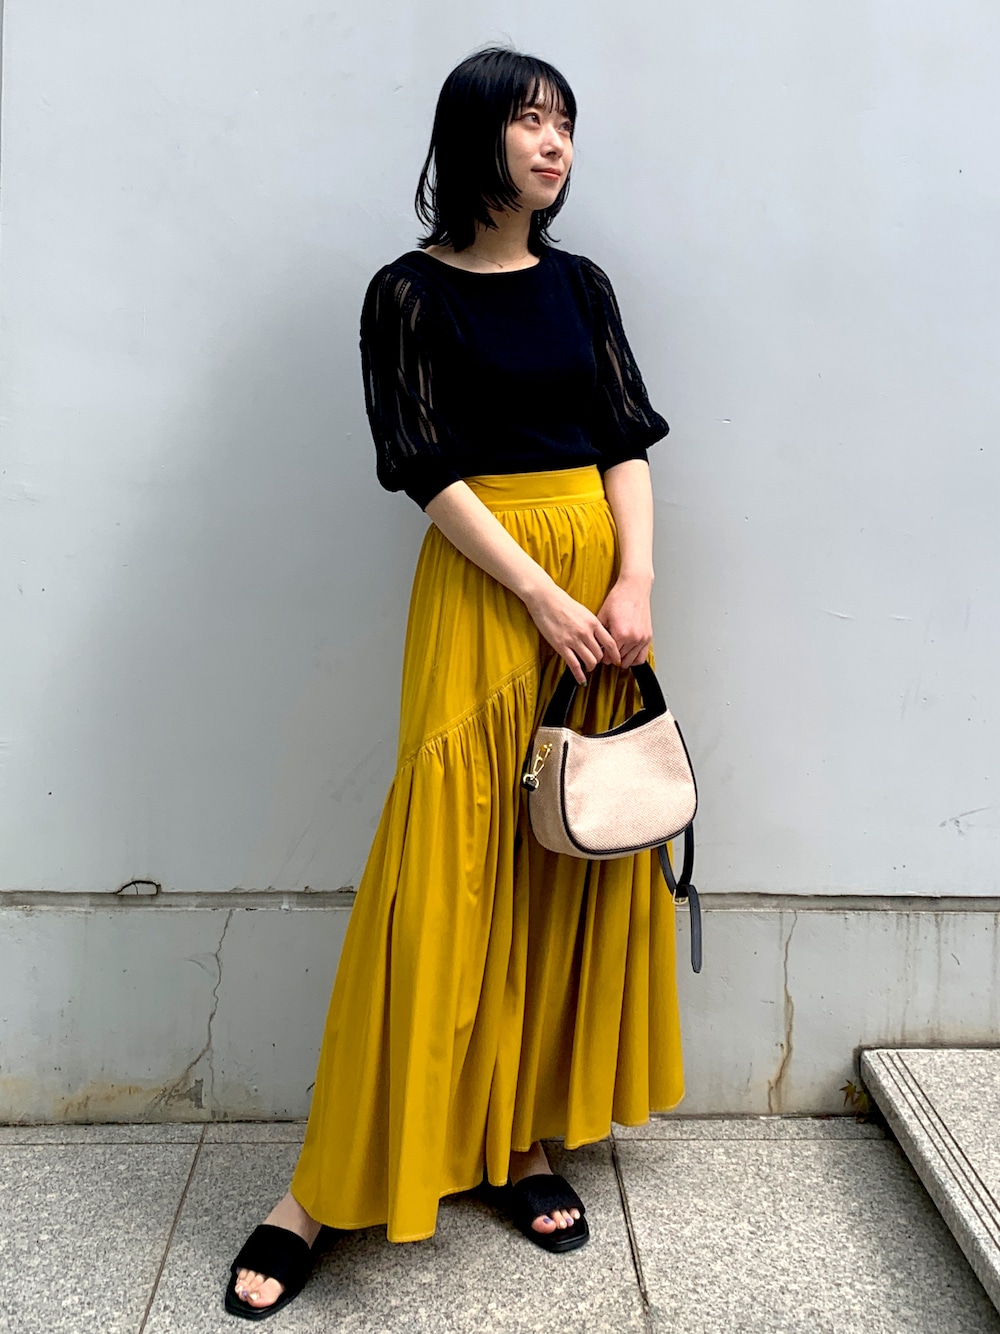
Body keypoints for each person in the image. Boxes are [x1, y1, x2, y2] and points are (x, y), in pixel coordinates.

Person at [225, 45, 683, 1320]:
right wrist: (536, 592)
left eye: (566, 122)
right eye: (530, 120)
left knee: (558, 855)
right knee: (442, 871)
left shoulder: (581, 285)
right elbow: (421, 464)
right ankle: (319, 1187)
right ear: (474, 137)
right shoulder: (407, 292)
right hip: (490, 590)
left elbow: (625, 440)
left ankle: (521, 1139)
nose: (554, 142)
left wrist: (633, 581)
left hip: (602, 597)